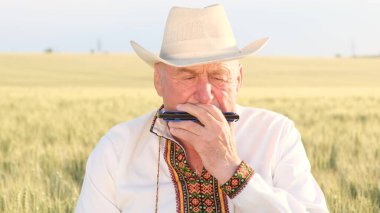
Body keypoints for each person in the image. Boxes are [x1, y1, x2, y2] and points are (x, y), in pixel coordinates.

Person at [75, 4, 329, 213]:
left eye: (218, 76)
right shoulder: (117, 149)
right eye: (187, 77)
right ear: (158, 81)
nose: (205, 95)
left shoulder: (276, 134)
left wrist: (232, 169)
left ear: (238, 79)